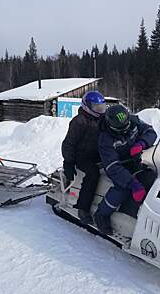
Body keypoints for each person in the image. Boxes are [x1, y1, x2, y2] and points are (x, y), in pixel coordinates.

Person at [94, 104, 157, 235]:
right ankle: (102, 214)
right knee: (122, 189)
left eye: (127, 126)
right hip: (118, 165)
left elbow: (150, 131)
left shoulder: (133, 120)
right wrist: (132, 184)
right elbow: (112, 166)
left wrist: (142, 143)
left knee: (151, 176)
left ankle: (136, 209)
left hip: (136, 159)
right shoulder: (105, 139)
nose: (125, 130)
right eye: (121, 129)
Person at [61, 91, 106, 224]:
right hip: (82, 156)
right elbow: (69, 143)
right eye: (97, 108)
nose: (100, 110)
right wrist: (68, 162)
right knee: (93, 174)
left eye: (101, 107)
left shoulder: (102, 119)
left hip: (97, 153)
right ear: (87, 106)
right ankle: (83, 208)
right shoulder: (79, 121)